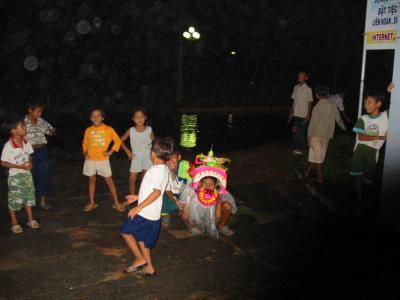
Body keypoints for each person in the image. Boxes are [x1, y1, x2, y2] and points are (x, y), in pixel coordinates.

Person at [120, 137, 175, 277]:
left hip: (145, 213)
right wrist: (137, 197)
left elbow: (156, 193)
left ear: (153, 153)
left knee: (125, 231)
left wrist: (138, 207)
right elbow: (155, 190)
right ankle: (149, 268)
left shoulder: (154, 171)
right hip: (153, 215)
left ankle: (139, 259)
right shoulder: (165, 170)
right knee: (142, 240)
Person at [180, 149, 237, 237]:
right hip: (197, 215)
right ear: (200, 183)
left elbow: (217, 217)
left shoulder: (218, 192)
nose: (208, 186)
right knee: (185, 214)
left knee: (228, 205)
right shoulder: (192, 191)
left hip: (212, 217)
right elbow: (185, 214)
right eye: (205, 184)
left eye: (211, 185)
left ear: (215, 185)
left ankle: (222, 226)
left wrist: (218, 200)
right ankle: (194, 227)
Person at [1, 116, 40, 234]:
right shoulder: (8, 146)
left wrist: (30, 162)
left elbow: (29, 154)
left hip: (27, 175)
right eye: (22, 126)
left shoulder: (25, 141)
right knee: (14, 199)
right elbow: (3, 162)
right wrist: (20, 167)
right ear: (14, 131)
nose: (25, 127)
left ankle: (30, 219)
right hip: (15, 177)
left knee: (29, 197)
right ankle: (14, 222)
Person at [350, 92, 389, 209]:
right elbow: (361, 137)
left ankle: (368, 200)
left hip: (373, 152)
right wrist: (380, 137)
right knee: (358, 177)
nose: (366, 105)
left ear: (379, 104)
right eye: (365, 103)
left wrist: (390, 91)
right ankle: (359, 201)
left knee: (368, 180)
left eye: (369, 103)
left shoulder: (385, 117)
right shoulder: (363, 118)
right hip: (359, 150)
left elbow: (396, 105)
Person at [82, 109, 124, 212]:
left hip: (103, 160)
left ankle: (116, 203)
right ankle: (92, 203)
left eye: (98, 116)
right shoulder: (88, 130)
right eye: (93, 116)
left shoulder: (108, 129)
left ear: (102, 118)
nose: (96, 118)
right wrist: (85, 153)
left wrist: (111, 151)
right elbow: (85, 144)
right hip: (90, 160)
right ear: (91, 118)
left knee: (109, 180)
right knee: (92, 180)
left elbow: (118, 141)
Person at [305, 86, 346, 183]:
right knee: (317, 155)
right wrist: (344, 128)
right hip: (327, 135)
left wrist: (309, 136)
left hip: (317, 135)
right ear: (328, 94)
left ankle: (320, 178)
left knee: (317, 157)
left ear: (316, 95)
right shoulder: (333, 105)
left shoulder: (317, 107)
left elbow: (313, 123)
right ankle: (307, 172)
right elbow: (339, 119)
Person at [25, 101, 56, 210]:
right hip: (28, 153)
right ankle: (28, 202)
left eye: (41, 111)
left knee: (44, 175)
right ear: (30, 110)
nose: (40, 114)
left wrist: (52, 131)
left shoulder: (41, 121)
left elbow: (51, 131)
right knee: (29, 177)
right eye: (38, 111)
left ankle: (42, 201)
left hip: (42, 151)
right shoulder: (23, 123)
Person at [120, 108, 155, 195]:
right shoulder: (131, 130)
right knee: (132, 180)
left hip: (148, 158)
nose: (139, 119)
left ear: (145, 117)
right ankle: (132, 198)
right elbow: (120, 140)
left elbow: (155, 142)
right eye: (136, 117)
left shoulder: (149, 129)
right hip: (136, 157)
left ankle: (142, 196)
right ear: (133, 119)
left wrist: (154, 154)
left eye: (141, 117)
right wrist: (127, 151)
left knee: (145, 179)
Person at [161, 148, 192, 227]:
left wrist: (186, 204)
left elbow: (192, 186)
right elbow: (166, 189)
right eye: (167, 158)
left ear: (179, 157)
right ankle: (165, 216)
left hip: (187, 194)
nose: (170, 161)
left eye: (173, 157)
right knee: (160, 194)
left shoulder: (186, 167)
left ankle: (183, 211)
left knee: (187, 218)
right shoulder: (164, 169)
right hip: (172, 194)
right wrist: (175, 201)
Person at [288, 71, 313, 156]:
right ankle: (296, 149)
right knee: (295, 132)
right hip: (296, 115)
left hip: (303, 116)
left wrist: (308, 114)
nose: (299, 77)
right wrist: (291, 112)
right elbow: (294, 100)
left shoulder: (308, 89)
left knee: (301, 133)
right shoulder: (296, 87)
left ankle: (301, 150)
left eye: (301, 76)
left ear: (306, 78)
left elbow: (310, 102)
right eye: (298, 75)